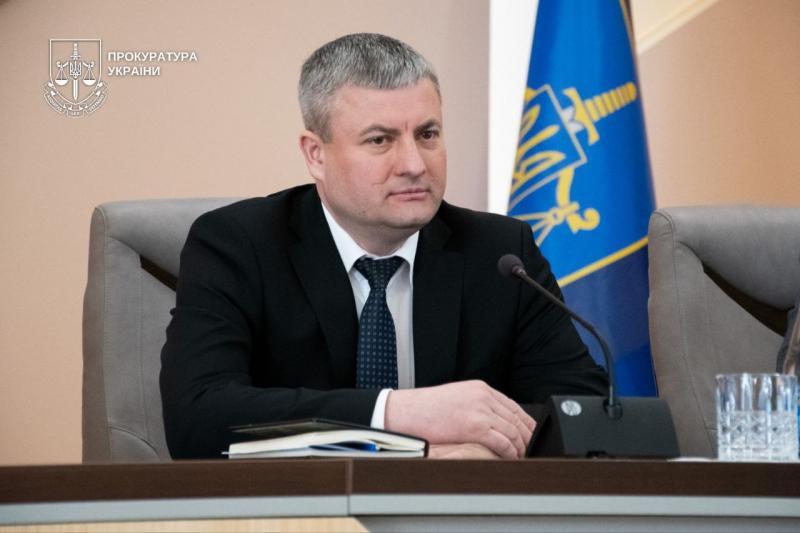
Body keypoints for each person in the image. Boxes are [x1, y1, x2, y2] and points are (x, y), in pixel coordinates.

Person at [160, 33, 608, 460]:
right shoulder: (239, 245)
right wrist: (397, 417)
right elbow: (197, 416)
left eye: (427, 135)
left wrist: (488, 451)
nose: (414, 164)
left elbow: (584, 414)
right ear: (315, 154)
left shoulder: (501, 253)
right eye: (380, 140)